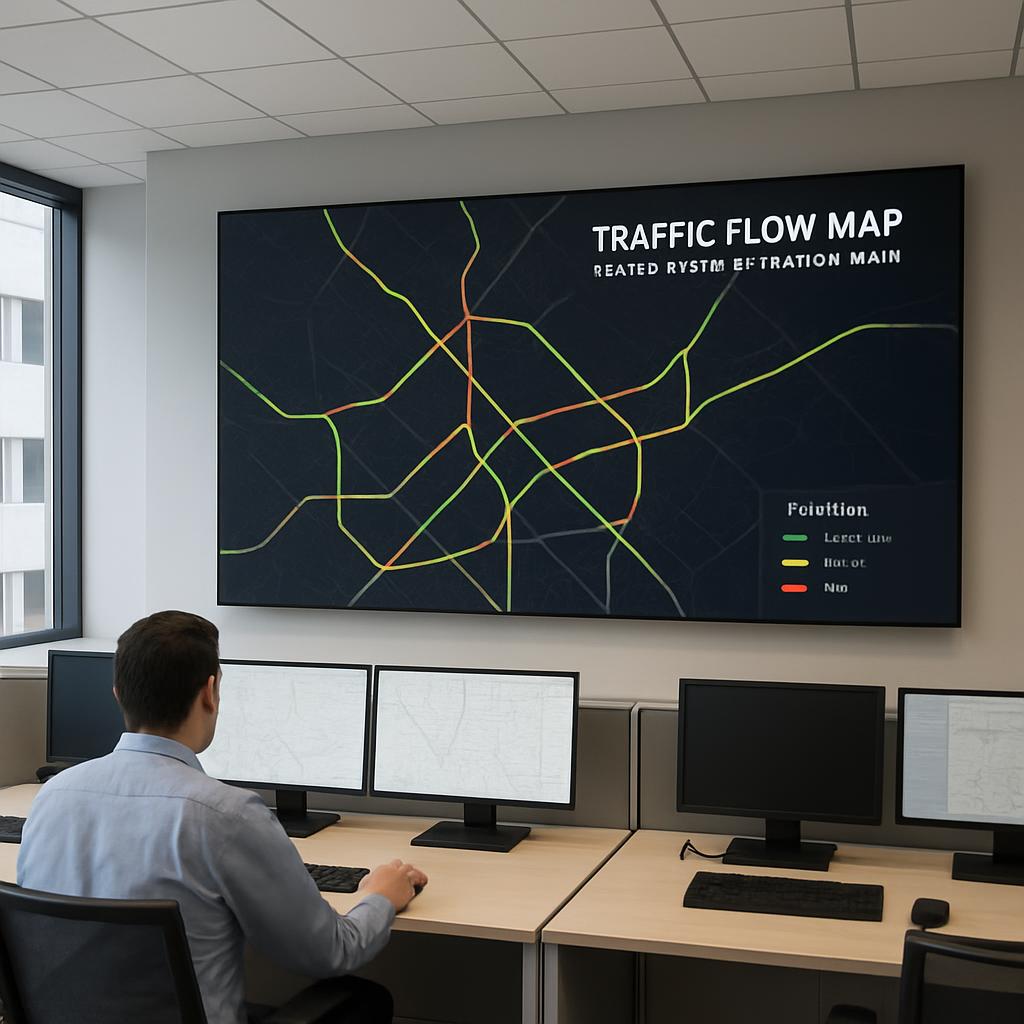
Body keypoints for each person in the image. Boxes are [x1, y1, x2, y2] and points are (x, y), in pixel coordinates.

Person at [17, 610, 426, 1024]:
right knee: (362, 998)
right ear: (210, 692)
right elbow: (332, 951)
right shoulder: (225, 815)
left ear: (118, 694)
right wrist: (381, 896)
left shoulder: (52, 797)